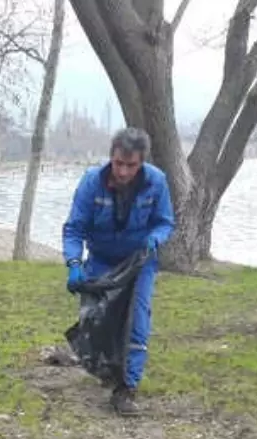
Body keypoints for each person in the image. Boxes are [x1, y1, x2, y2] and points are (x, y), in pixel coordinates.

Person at [62, 127, 176, 416]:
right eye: (118, 164)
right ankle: (106, 370)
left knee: (136, 321)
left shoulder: (156, 182)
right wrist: (74, 263)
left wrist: (155, 238)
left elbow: (165, 222)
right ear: (111, 158)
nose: (124, 172)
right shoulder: (91, 183)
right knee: (98, 321)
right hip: (100, 259)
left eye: (131, 165)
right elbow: (74, 228)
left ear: (142, 163)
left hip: (139, 261)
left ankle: (126, 388)